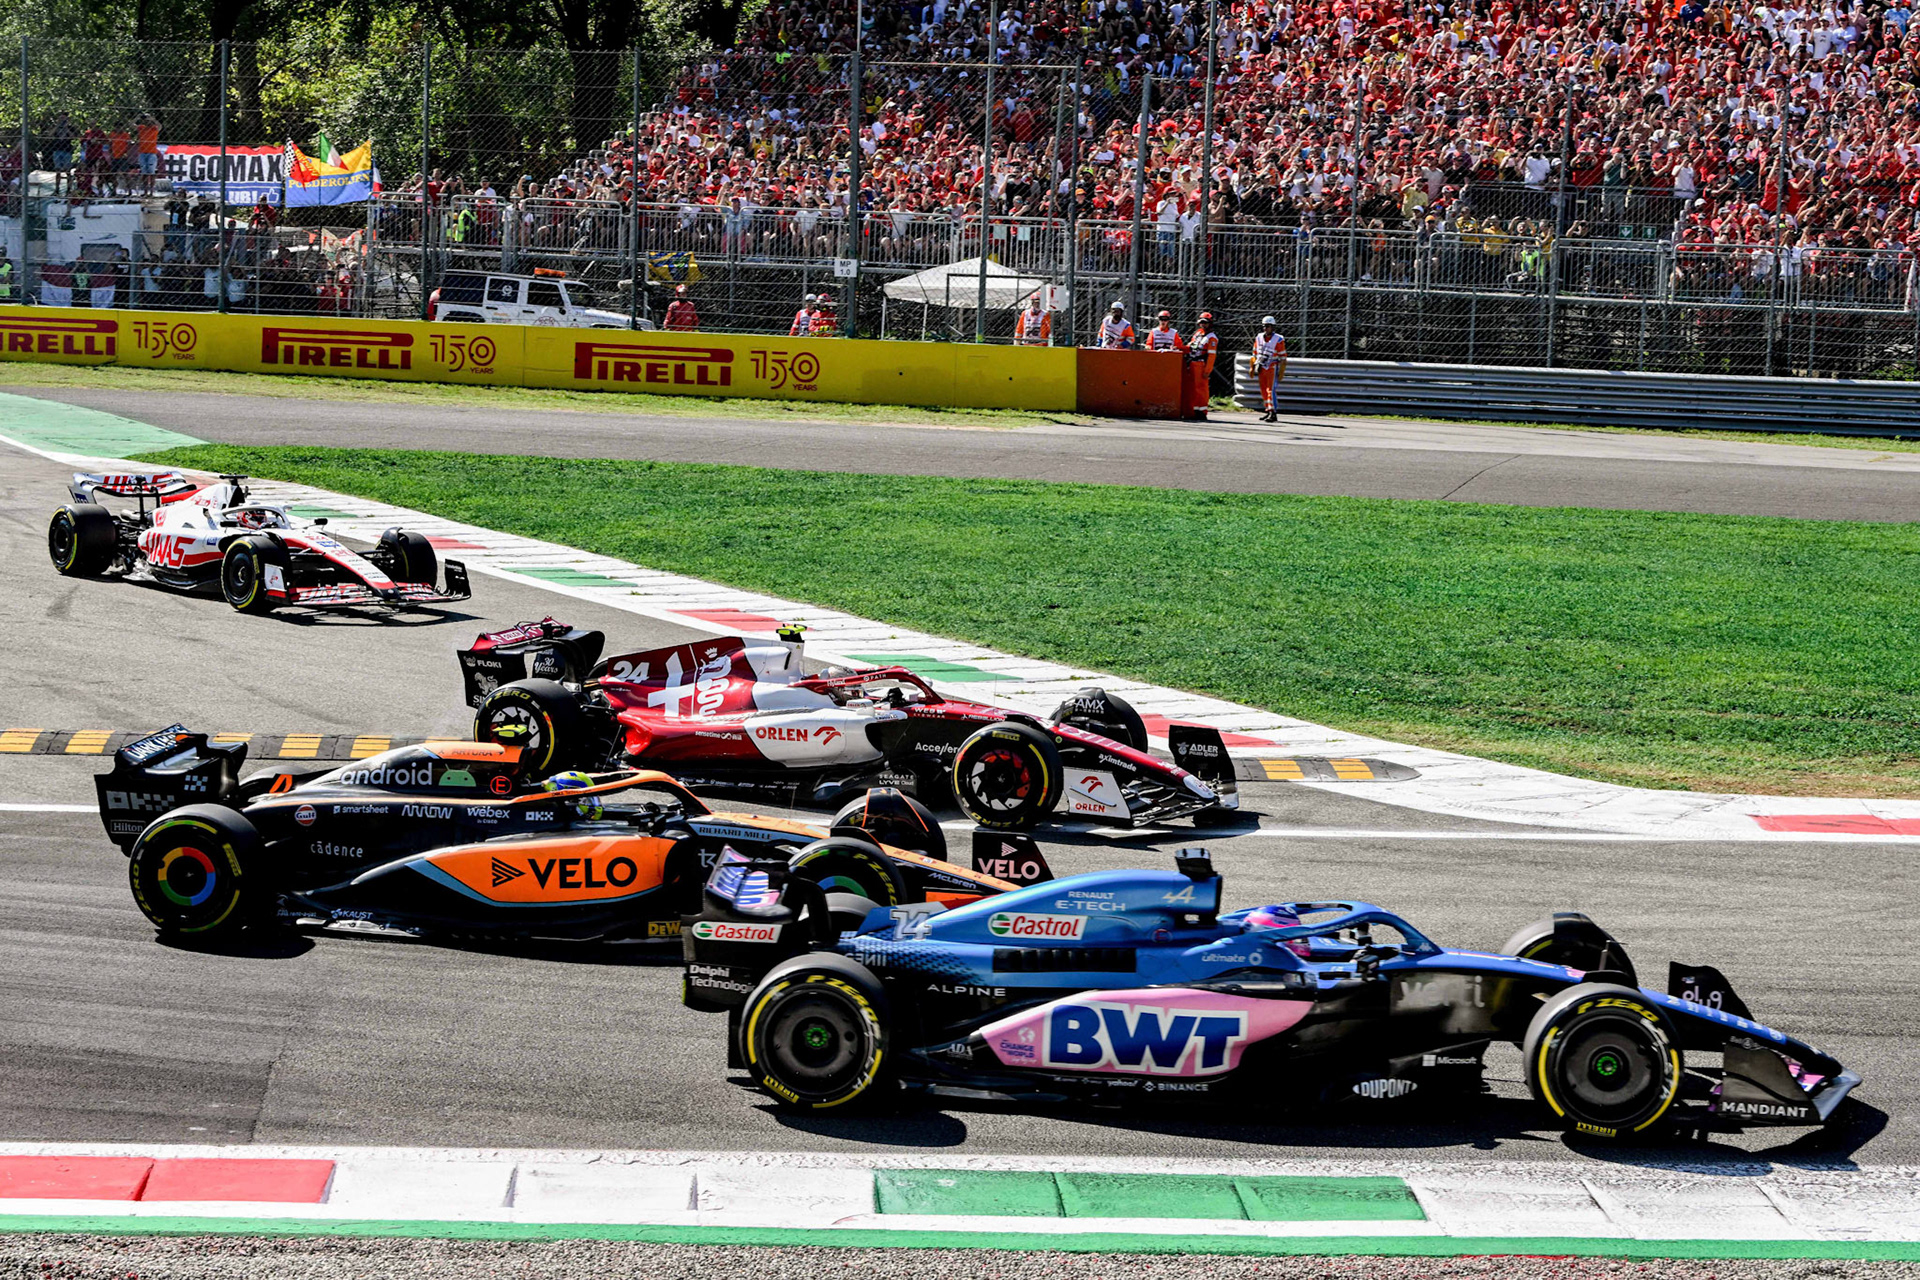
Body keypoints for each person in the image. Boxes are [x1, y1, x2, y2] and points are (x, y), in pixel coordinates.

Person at [1184, 311, 1219, 421]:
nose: (1203, 325)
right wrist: (1179, 348)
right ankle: (1194, 410)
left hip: (1202, 365)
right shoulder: (1198, 334)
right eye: (1201, 323)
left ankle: (1202, 411)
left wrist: (1207, 370)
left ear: (1210, 324)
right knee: (1193, 388)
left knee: (1201, 389)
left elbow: (1211, 356)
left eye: (1206, 323)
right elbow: (1190, 346)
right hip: (1193, 363)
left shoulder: (1212, 338)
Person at [1252, 315, 1288, 422]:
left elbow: (1283, 356)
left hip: (1272, 366)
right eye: (1264, 326)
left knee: (1270, 390)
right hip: (1261, 366)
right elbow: (1254, 353)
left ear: (1273, 327)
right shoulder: (1258, 338)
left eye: (1267, 326)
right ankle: (1267, 409)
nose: (1265, 328)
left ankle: (1273, 412)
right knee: (1263, 389)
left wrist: (1281, 370)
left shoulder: (1278, 339)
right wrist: (1253, 365)